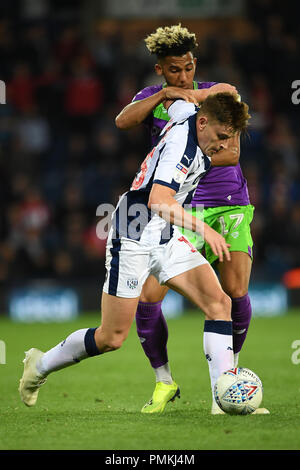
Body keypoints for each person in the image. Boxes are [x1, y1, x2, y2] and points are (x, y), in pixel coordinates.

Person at [19, 92, 250, 412]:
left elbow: (176, 103)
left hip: (165, 235)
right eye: (222, 136)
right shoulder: (180, 149)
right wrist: (204, 228)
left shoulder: (191, 113)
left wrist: (171, 92)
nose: (224, 145)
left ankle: (223, 397)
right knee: (111, 338)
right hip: (133, 235)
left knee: (219, 302)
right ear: (203, 123)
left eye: (230, 138)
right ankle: (40, 365)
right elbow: (158, 200)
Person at [115, 24, 268, 415]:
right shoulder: (153, 98)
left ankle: (227, 383)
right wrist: (165, 97)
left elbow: (231, 153)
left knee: (233, 291)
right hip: (180, 207)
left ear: (194, 64)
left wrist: (188, 98)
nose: (181, 76)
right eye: (173, 71)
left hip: (227, 201)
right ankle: (164, 381)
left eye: (187, 69)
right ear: (159, 70)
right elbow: (122, 122)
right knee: (148, 298)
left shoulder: (217, 94)